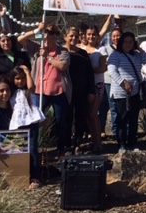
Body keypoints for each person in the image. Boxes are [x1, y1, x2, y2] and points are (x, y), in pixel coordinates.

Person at [21, 23, 72, 157]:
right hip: (39, 91)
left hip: (59, 91)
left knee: (61, 121)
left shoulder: (63, 51)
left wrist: (48, 56)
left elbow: (62, 66)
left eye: (55, 33)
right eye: (49, 32)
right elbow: (21, 39)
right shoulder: (36, 48)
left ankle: (61, 148)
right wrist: (36, 30)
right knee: (35, 120)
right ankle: (34, 148)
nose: (53, 35)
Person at [107, 32, 146, 153]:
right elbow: (112, 71)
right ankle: (121, 143)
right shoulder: (115, 55)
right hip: (120, 93)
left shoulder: (136, 55)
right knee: (122, 118)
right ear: (121, 43)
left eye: (130, 42)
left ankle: (132, 142)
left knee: (133, 119)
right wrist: (123, 82)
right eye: (125, 42)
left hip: (134, 92)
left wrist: (139, 49)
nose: (128, 44)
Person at [10, 66, 45, 189]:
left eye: (22, 78)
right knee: (17, 149)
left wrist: (27, 72)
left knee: (33, 148)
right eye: (17, 79)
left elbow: (31, 86)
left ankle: (35, 176)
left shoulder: (29, 91)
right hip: (17, 123)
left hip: (31, 121)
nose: (20, 81)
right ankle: (19, 175)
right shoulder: (12, 92)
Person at [64, 27, 96, 153]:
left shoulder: (83, 54)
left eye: (76, 36)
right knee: (66, 119)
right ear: (65, 37)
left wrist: (91, 90)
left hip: (81, 91)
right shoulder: (61, 52)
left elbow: (89, 73)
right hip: (65, 91)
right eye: (71, 36)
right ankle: (66, 144)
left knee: (80, 118)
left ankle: (77, 143)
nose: (73, 38)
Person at [84, 25, 106, 152]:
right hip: (85, 85)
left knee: (93, 113)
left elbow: (102, 68)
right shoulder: (82, 49)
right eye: (89, 34)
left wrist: (87, 72)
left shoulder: (101, 50)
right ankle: (93, 141)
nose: (91, 37)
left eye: (93, 34)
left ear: (97, 36)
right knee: (88, 115)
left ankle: (99, 142)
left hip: (97, 84)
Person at [99, 26, 122, 138]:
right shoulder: (106, 48)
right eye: (114, 36)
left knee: (121, 107)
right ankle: (115, 131)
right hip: (108, 81)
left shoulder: (125, 48)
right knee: (112, 107)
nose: (116, 38)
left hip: (122, 81)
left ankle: (121, 130)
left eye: (118, 35)